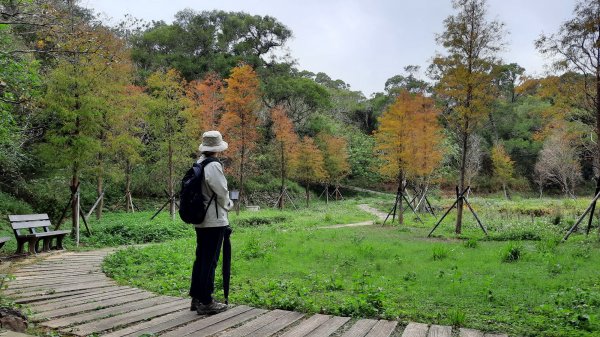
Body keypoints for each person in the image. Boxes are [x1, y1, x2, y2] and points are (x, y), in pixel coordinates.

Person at [189, 130, 234, 315]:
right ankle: (206, 301)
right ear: (217, 148)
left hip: (200, 218)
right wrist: (229, 205)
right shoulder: (213, 165)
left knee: (201, 259)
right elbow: (221, 192)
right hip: (214, 220)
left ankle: (196, 297)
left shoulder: (199, 163)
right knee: (210, 261)